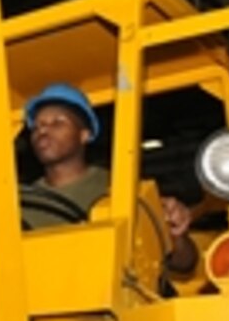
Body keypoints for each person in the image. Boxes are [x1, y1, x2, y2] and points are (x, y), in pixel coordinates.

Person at [21, 83, 198, 274]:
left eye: (57, 123)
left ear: (84, 135)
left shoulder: (120, 188)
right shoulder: (23, 203)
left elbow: (184, 263)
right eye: (37, 126)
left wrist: (176, 235)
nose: (43, 132)